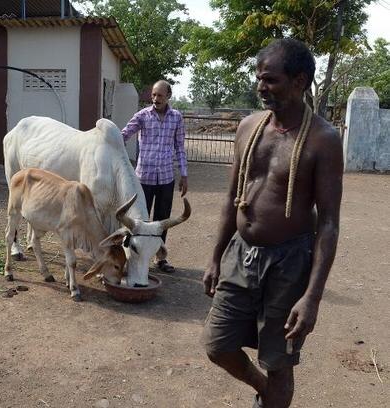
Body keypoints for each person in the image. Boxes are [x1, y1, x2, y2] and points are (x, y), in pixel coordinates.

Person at [201, 38, 343, 408]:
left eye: (271, 80)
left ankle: (273, 392)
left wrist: (311, 297)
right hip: (241, 255)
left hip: (290, 263)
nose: (261, 87)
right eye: (259, 78)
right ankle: (264, 390)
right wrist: (216, 256)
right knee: (218, 345)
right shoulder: (249, 128)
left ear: (300, 81)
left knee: (279, 363)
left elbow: (328, 223)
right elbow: (232, 197)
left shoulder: (323, 140)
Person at [121, 80, 188, 273]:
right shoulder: (142, 116)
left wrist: (184, 175)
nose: (156, 99)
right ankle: (132, 255)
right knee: (139, 220)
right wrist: (109, 142)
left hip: (166, 178)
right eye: (153, 95)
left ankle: (160, 258)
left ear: (168, 96)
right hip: (143, 178)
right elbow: (124, 134)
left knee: (161, 220)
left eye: (160, 95)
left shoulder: (176, 118)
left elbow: (179, 148)